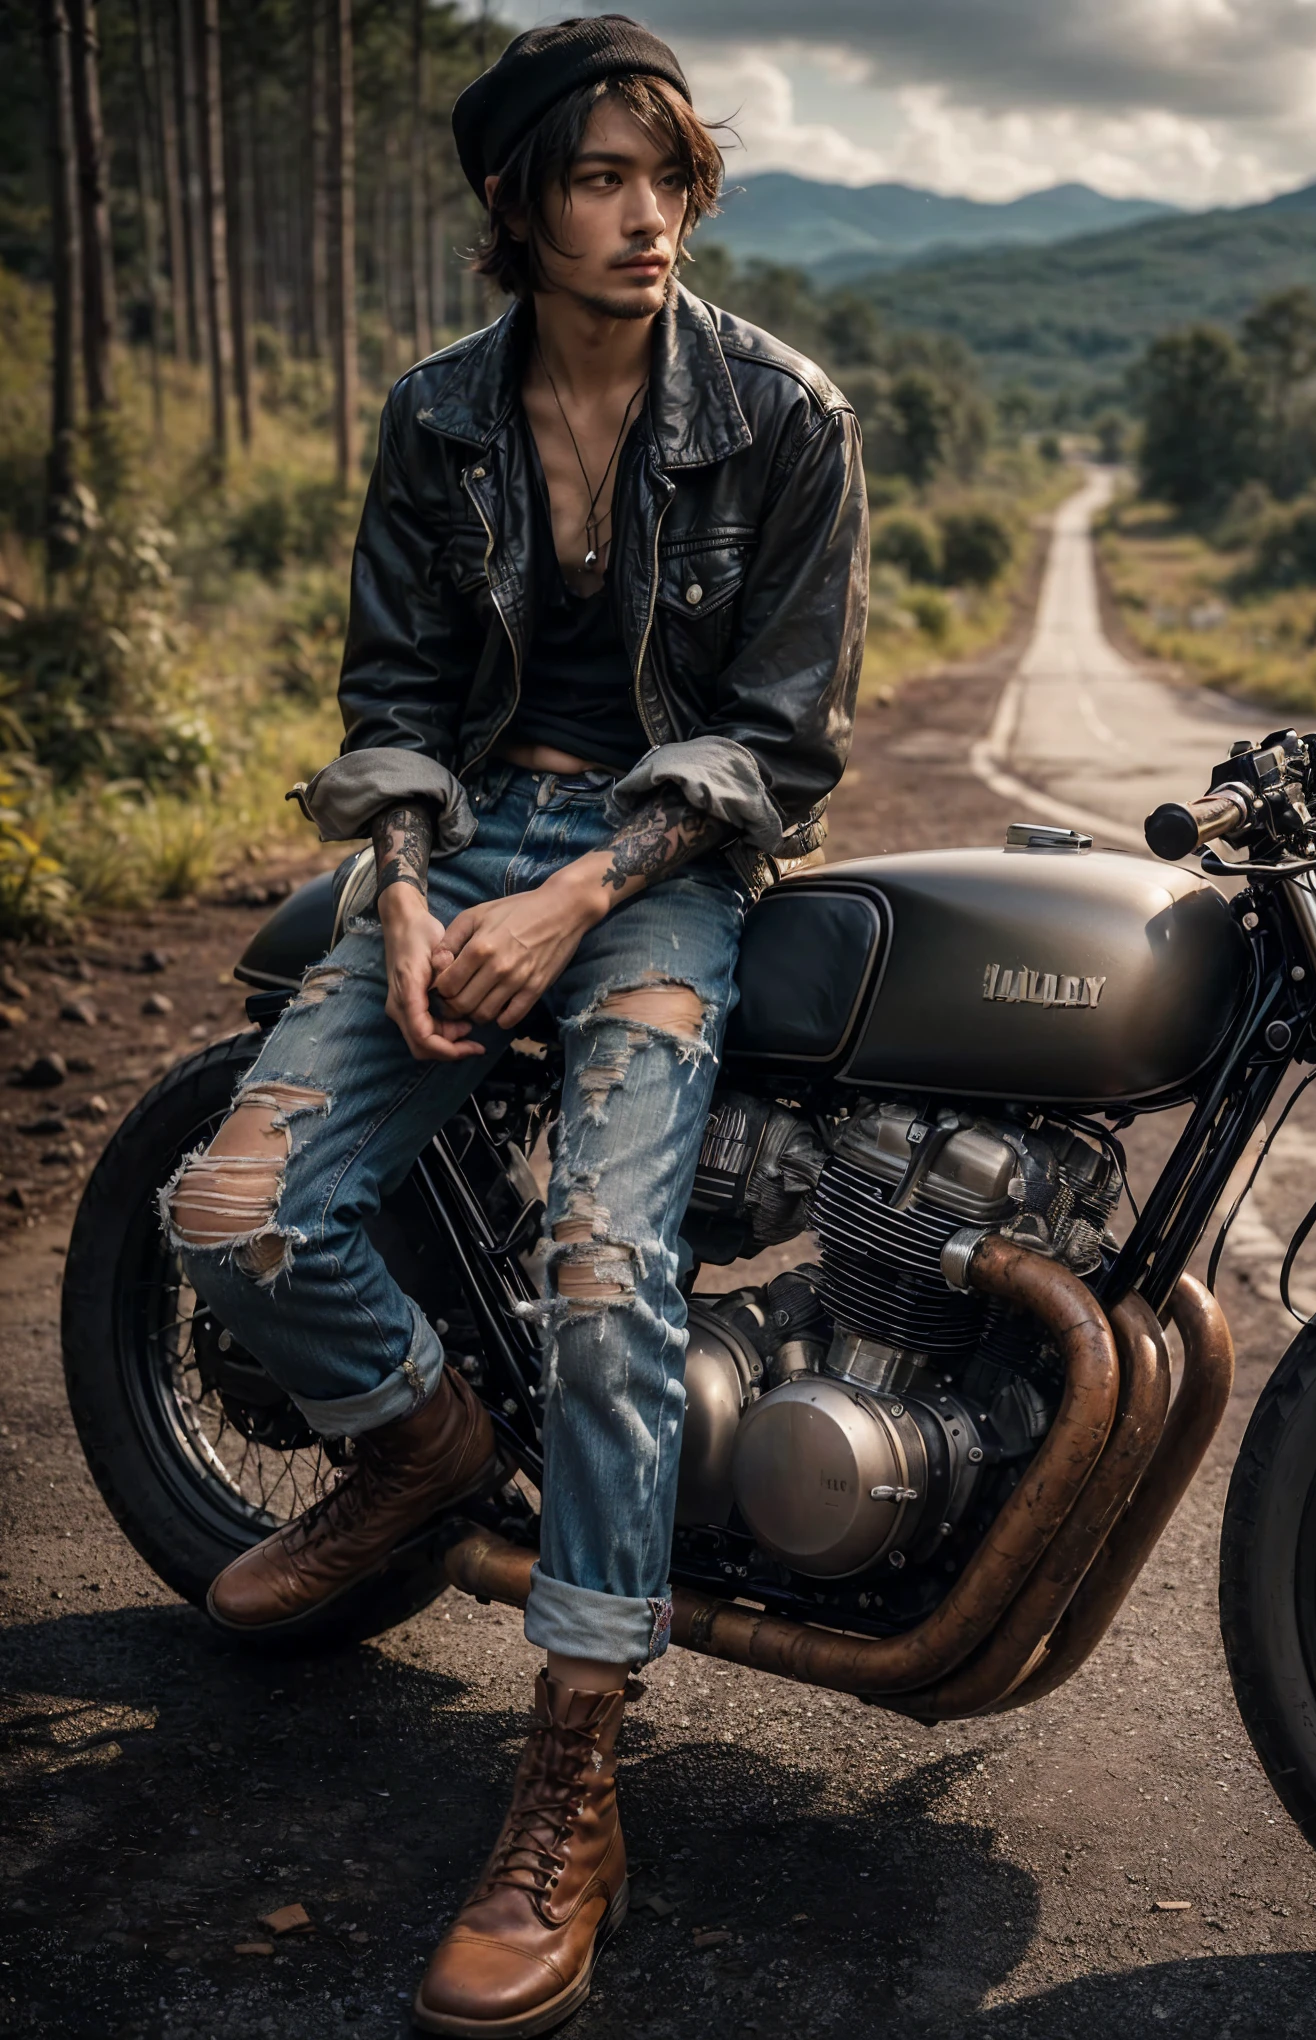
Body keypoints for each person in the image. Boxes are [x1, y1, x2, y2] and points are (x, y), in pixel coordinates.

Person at [157, 18, 866, 2035]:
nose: (645, 217)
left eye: (668, 175)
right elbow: (391, 701)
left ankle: (568, 1768)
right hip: (457, 849)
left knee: (604, 1279)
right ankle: (416, 1455)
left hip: (661, 870)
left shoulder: (780, 414)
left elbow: (780, 746)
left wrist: (573, 898)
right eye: (597, 180)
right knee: (233, 1216)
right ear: (518, 206)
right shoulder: (438, 417)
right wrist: (399, 902)